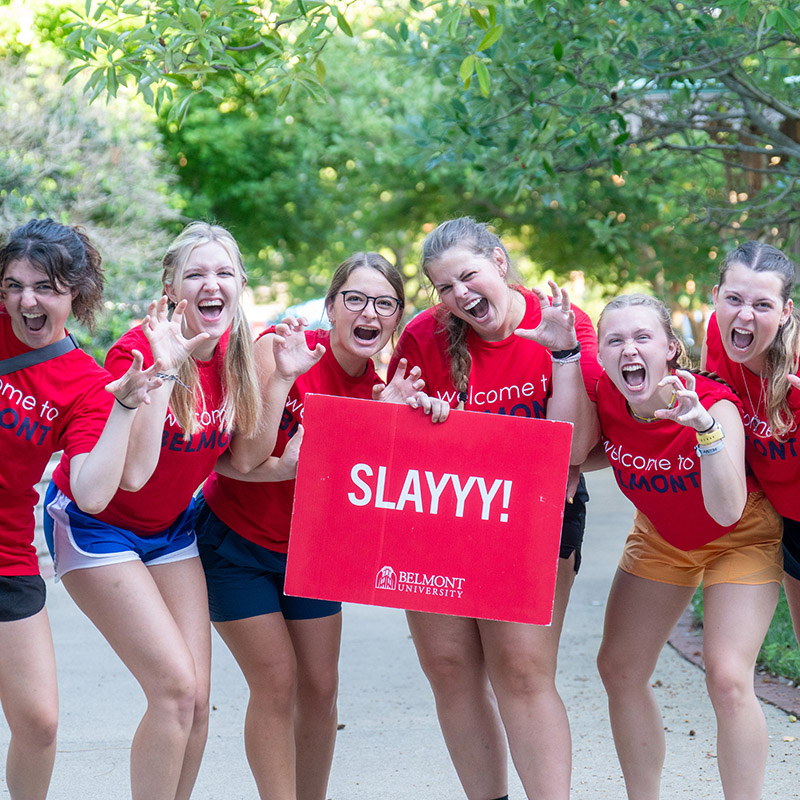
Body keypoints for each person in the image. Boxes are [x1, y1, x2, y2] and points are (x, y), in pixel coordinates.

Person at [196, 251, 446, 800]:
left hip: (310, 553)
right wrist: (286, 398)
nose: (369, 312)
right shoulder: (279, 351)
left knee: (322, 687)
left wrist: (396, 426)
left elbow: (367, 498)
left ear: (396, 318)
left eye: (385, 303)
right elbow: (239, 459)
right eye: (354, 299)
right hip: (235, 541)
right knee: (277, 681)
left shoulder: (381, 391)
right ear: (330, 307)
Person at [43, 221, 262, 800]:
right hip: (96, 522)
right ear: (172, 289)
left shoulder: (240, 357)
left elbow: (240, 460)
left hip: (169, 532)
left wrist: (284, 376)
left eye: (222, 272)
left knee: (197, 703)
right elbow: (134, 476)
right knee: (172, 688)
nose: (210, 284)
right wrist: (165, 367)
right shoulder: (139, 352)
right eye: (195, 274)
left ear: (241, 283)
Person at [388, 217, 601, 800]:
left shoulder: (562, 322)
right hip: (438, 518)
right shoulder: (424, 337)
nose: (459, 295)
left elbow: (579, 447)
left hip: (533, 519)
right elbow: (391, 439)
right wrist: (404, 412)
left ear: (499, 264)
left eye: (468, 276)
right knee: (451, 669)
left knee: (522, 669)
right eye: (444, 287)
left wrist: (563, 354)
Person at [592, 294, 782, 800]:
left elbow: (727, 509)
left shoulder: (713, 402)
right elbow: (587, 450)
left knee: (727, 676)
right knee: (619, 668)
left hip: (739, 537)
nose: (628, 349)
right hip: (661, 537)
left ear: (671, 348)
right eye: (615, 340)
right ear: (601, 353)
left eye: (642, 337)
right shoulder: (603, 394)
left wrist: (704, 428)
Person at [0, 217, 162, 800]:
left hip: (6, 554)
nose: (27, 300)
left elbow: (93, 493)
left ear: (76, 292)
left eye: (45, 286)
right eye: (14, 285)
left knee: (39, 724)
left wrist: (122, 410)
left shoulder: (87, 385)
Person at [701, 241, 800, 641]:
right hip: (785, 517)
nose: (744, 315)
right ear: (715, 297)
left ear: (785, 312)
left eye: (762, 305)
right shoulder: (716, 337)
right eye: (734, 299)